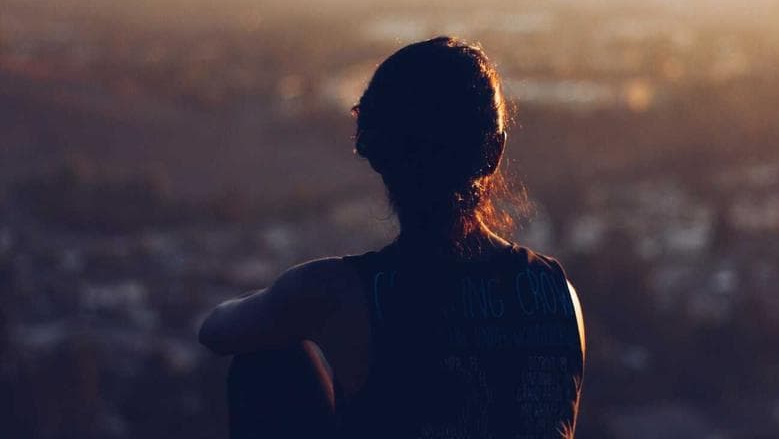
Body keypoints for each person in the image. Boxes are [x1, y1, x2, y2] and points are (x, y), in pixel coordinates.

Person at [199, 36, 586, 438]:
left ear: (377, 154)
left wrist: (293, 305)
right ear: (495, 153)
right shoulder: (556, 292)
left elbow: (215, 330)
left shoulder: (341, 293)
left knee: (267, 361)